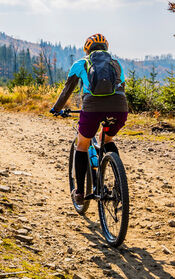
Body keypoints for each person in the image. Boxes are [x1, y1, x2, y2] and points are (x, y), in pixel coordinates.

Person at [50, 33, 128, 205]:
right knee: (106, 139)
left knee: (82, 144)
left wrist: (56, 109)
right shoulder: (116, 64)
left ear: (87, 48)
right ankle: (119, 183)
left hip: (92, 109)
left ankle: (79, 192)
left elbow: (67, 90)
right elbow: (122, 88)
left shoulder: (80, 63)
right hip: (119, 109)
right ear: (106, 48)